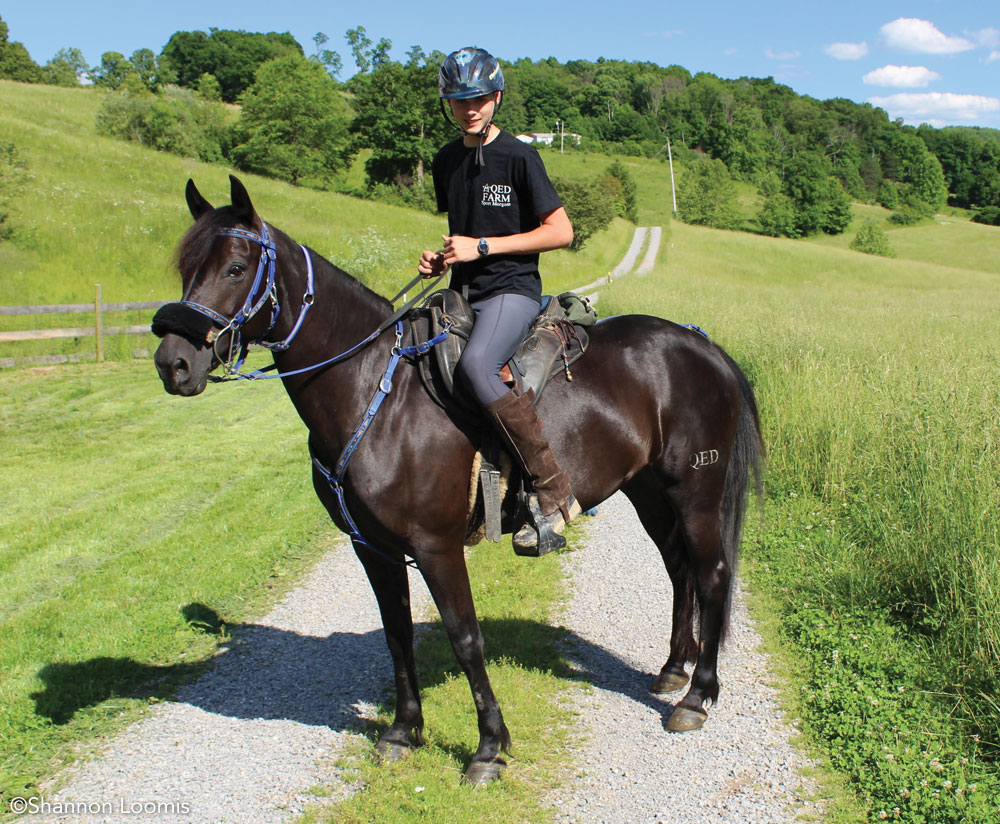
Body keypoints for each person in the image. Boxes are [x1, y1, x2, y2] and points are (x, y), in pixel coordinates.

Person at [417, 46, 580, 554]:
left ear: (497, 98)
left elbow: (561, 232)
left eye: (480, 98)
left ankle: (553, 489)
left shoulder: (519, 156)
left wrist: (483, 247)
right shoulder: (446, 160)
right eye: (460, 100)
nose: (470, 109)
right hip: (463, 292)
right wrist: (444, 259)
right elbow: (467, 232)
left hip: (511, 290)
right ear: (448, 103)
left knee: (477, 368)